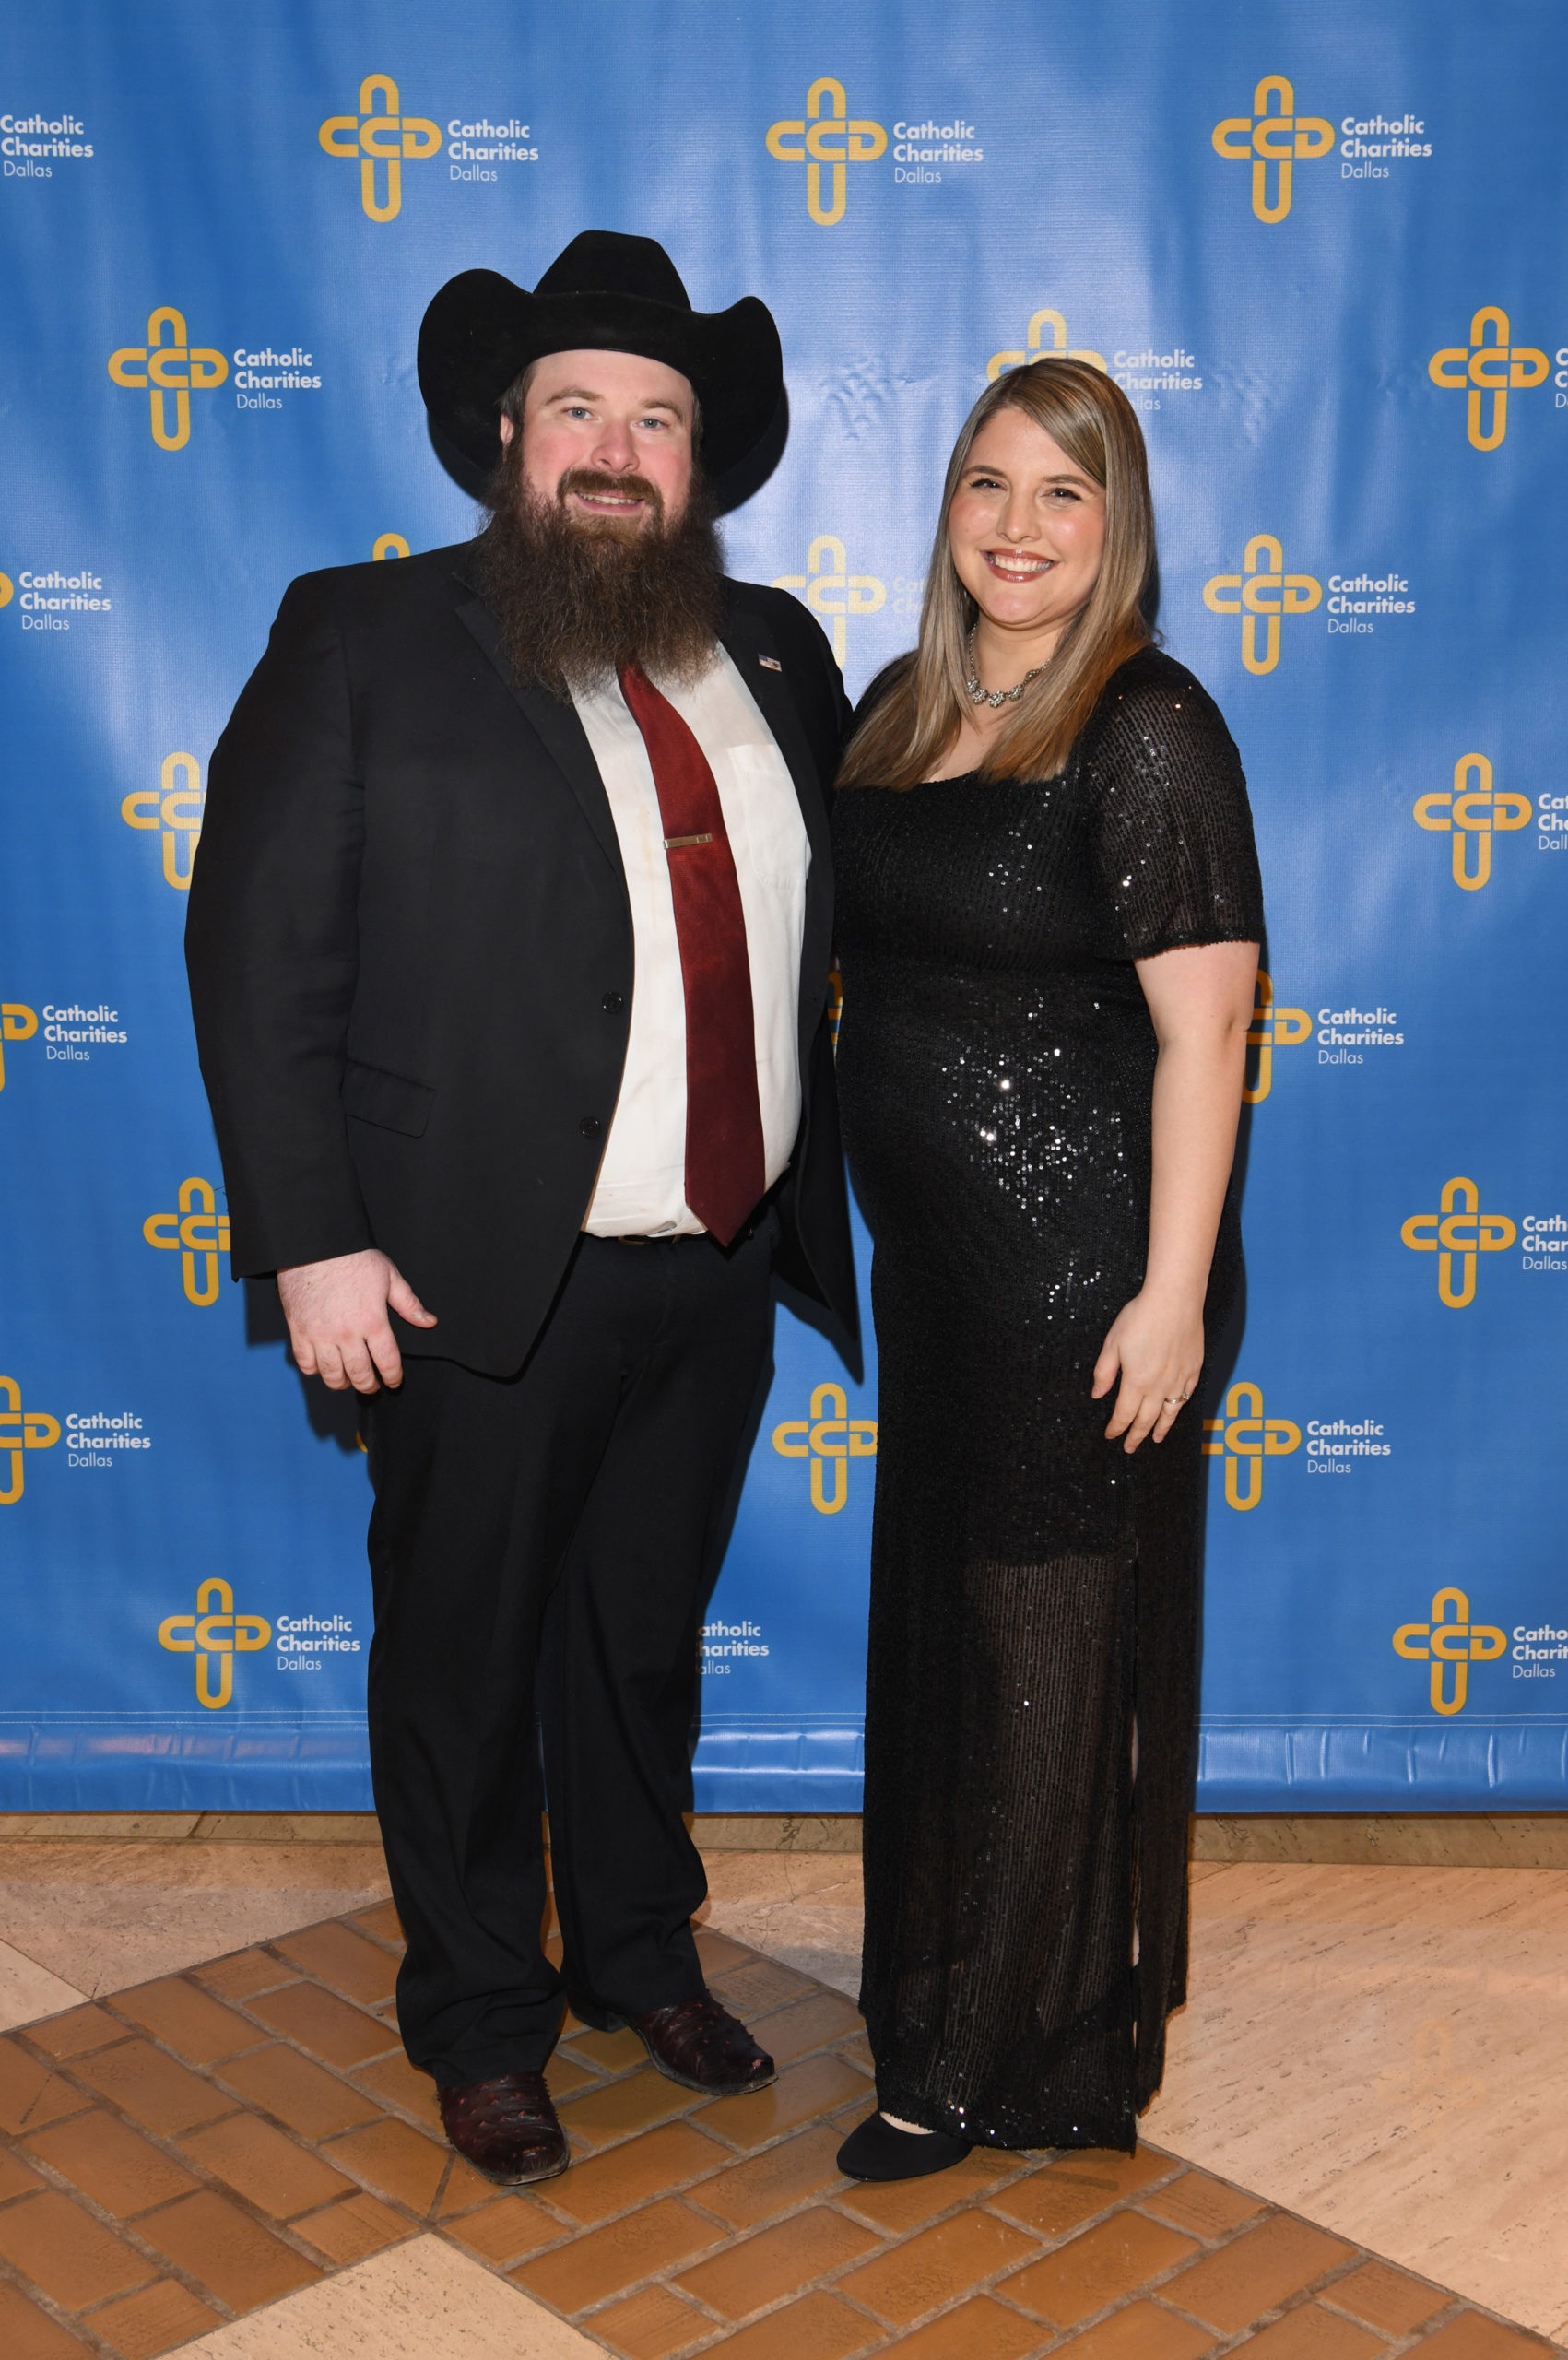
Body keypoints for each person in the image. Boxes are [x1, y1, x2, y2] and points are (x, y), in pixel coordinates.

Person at [184, 232, 856, 2189]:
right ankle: (480, 2016)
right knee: (464, 1657)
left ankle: (637, 1952)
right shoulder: (363, 634)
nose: (615, 450)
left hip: (714, 1260)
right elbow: (256, 952)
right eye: (578, 408)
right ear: (505, 432)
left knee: (639, 1642)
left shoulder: (778, 653)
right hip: (469, 1268)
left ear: (697, 463)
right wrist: (311, 1237)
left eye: (655, 418)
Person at [830, 357, 1262, 2181]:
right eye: (988, 484)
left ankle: (999, 2056)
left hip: (1085, 1277)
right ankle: (957, 1987)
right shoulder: (899, 706)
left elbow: (1206, 1028)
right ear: (946, 503)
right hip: (938, 1279)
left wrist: (1167, 1295)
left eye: (1062, 493)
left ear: (1117, 525)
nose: (1018, 527)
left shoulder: (1144, 723)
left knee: (1043, 1653)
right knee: (961, 1639)